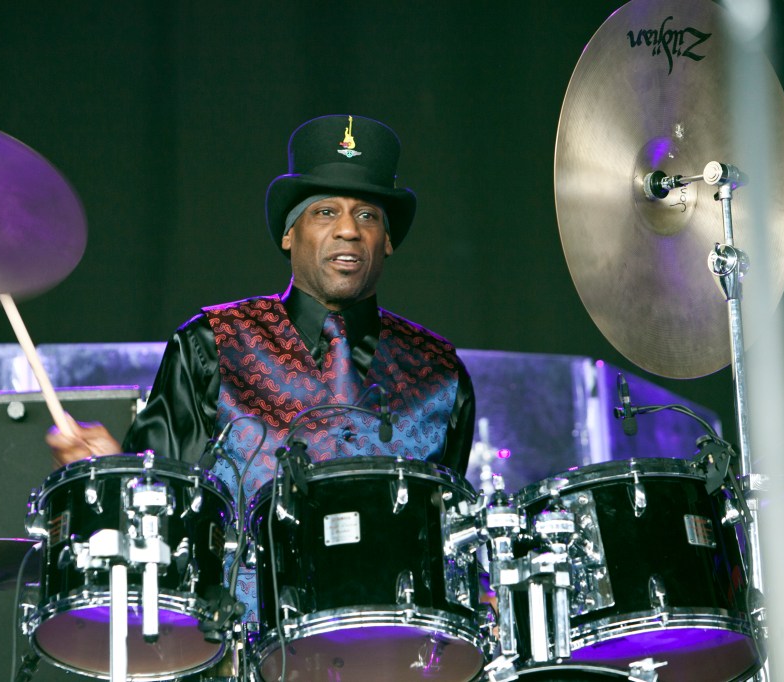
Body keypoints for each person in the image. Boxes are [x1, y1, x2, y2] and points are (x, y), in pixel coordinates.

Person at [48, 113, 475, 488]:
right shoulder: (210, 345)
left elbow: (446, 541)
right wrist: (112, 472)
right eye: (325, 211)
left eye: (367, 215)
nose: (348, 229)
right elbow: (160, 507)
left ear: (387, 242)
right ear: (289, 234)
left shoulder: (441, 373)